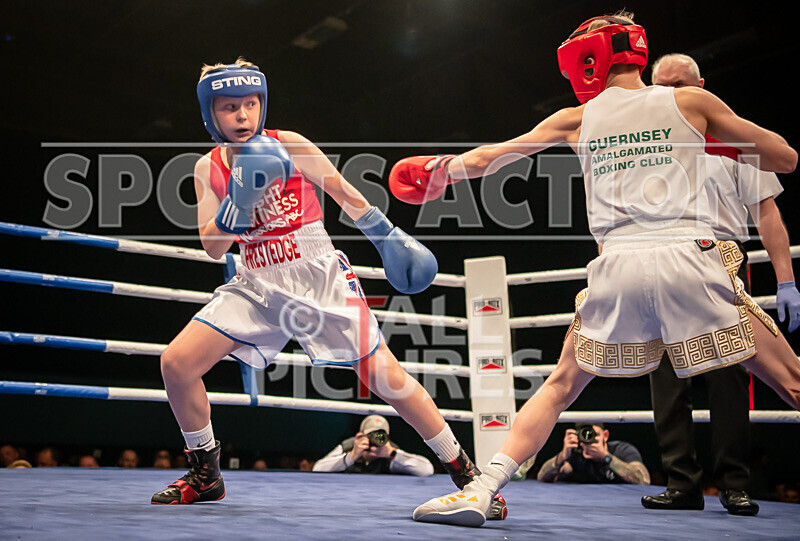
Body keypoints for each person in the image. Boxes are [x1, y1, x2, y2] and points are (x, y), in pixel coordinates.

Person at [389, 11, 800, 527]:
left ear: (590, 58)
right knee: (791, 382)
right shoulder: (690, 101)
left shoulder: (575, 119)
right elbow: (784, 158)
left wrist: (437, 174)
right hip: (691, 259)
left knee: (561, 384)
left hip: (616, 265)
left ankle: (482, 488)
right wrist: (714, 139)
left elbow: (489, 158)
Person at [150, 57, 506, 520]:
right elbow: (213, 247)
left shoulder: (289, 143)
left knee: (386, 378)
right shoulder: (207, 167)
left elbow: (341, 191)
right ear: (209, 113)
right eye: (230, 107)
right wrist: (239, 200)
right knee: (176, 364)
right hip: (256, 280)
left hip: (316, 273)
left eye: (251, 104)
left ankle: (469, 477)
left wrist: (387, 237)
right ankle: (206, 474)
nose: (242, 116)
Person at [641, 53, 799, 516]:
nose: (672, 94)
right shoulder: (647, 142)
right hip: (664, 259)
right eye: (663, 87)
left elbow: (766, 210)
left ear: (702, 85)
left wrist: (785, 280)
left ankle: (733, 483)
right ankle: (682, 483)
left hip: (724, 258)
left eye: (681, 85)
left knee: (730, 374)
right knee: (666, 374)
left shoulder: (731, 134)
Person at [312, 414, 434, 476]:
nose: (375, 440)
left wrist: (393, 454)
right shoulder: (349, 446)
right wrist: (352, 456)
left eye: (380, 436)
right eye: (371, 435)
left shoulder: (389, 450)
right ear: (360, 436)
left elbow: (427, 470)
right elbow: (317, 469)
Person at [536, 423, 649, 484]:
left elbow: (644, 480)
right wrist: (562, 456)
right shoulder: (576, 454)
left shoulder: (622, 450)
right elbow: (542, 477)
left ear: (605, 436)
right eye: (584, 436)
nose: (589, 440)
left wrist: (606, 457)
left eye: (594, 435)